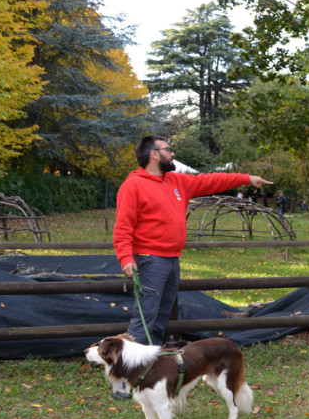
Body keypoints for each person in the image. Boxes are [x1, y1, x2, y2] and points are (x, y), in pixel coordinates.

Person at [114, 135, 272, 347]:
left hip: (171, 259)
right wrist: (125, 257)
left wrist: (246, 178)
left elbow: (211, 180)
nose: (172, 154)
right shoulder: (133, 185)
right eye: (168, 150)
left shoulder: (177, 181)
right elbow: (123, 226)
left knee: (162, 316)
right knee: (146, 316)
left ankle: (150, 365)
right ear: (153, 154)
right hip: (149, 260)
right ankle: (128, 371)